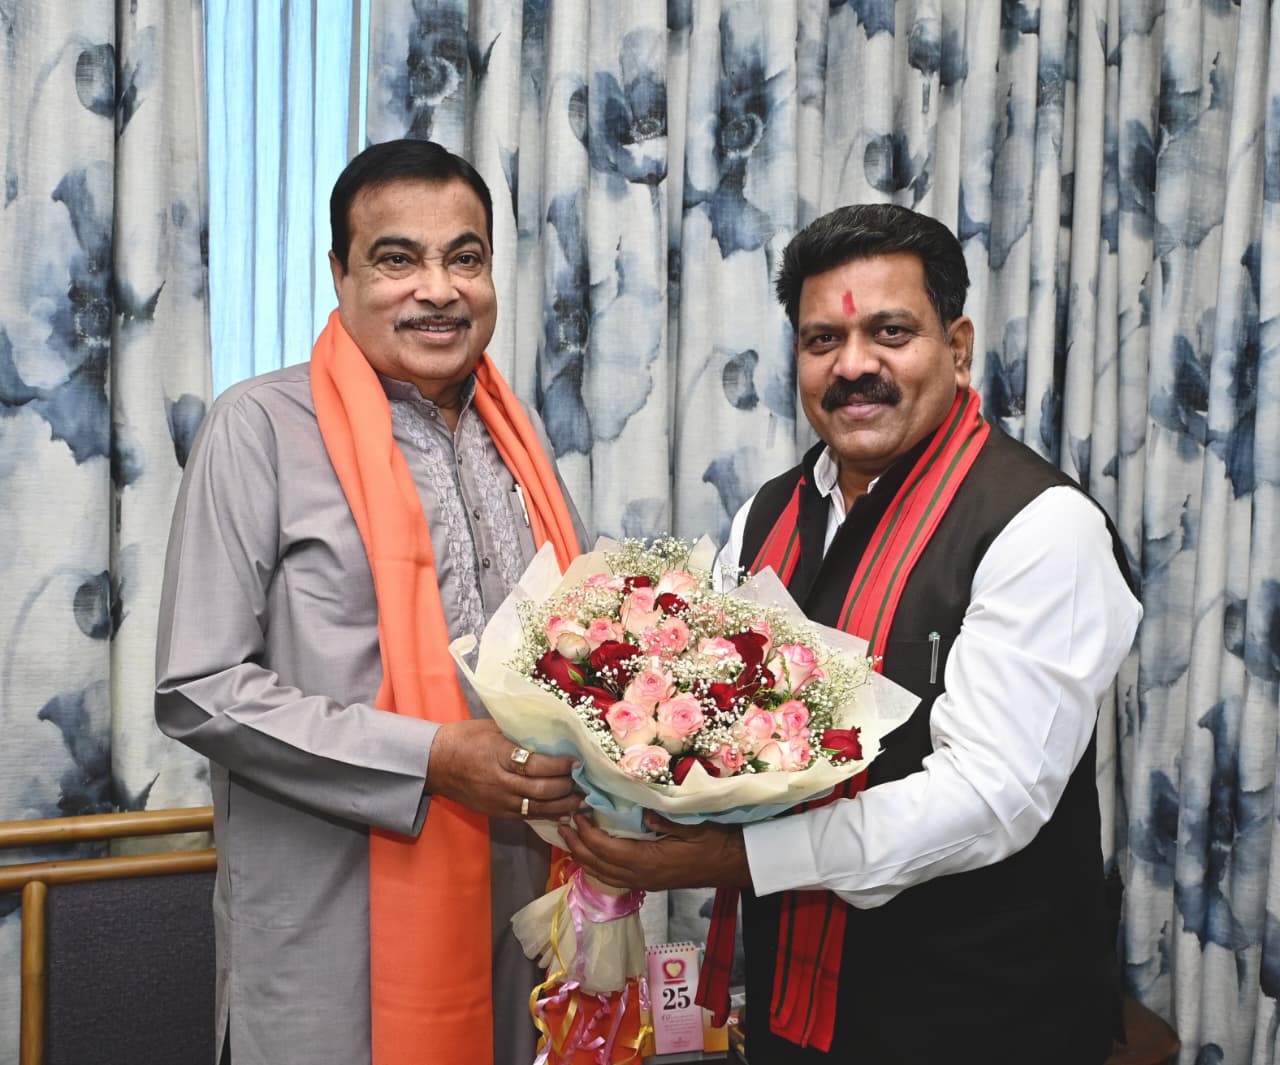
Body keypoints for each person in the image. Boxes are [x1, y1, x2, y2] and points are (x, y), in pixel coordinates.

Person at [559, 203, 1142, 1064]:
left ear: (958, 346)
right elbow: (709, 725)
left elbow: (989, 799)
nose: (854, 365)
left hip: (982, 1022)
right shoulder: (766, 516)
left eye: (890, 332)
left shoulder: (1041, 526)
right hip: (794, 1015)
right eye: (823, 339)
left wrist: (738, 858)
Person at [155, 139, 588, 1065]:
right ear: (340, 274)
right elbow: (198, 687)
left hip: (521, 919)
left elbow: (584, 648)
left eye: (465, 257)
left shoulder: (520, 442)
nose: (438, 289)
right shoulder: (259, 429)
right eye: (398, 259)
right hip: (329, 938)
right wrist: (430, 758)